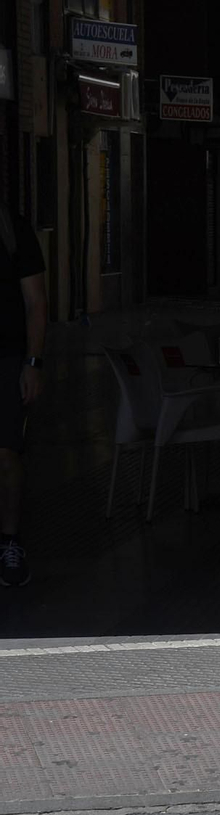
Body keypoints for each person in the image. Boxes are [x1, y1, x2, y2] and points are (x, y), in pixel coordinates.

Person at [0, 207, 47, 589]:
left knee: (6, 454)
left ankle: (10, 541)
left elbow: (35, 302)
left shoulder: (12, 228)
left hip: (7, 360)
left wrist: (33, 363)